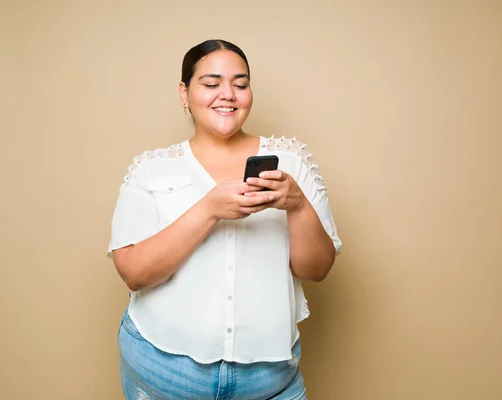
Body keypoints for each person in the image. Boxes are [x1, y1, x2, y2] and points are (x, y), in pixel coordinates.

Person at [107, 39, 342, 400]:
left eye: (241, 83)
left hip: (270, 379)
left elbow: (317, 268)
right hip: (163, 373)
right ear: (185, 93)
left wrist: (297, 205)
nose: (228, 95)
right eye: (211, 83)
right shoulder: (150, 169)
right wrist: (209, 209)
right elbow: (135, 273)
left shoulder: (291, 160)